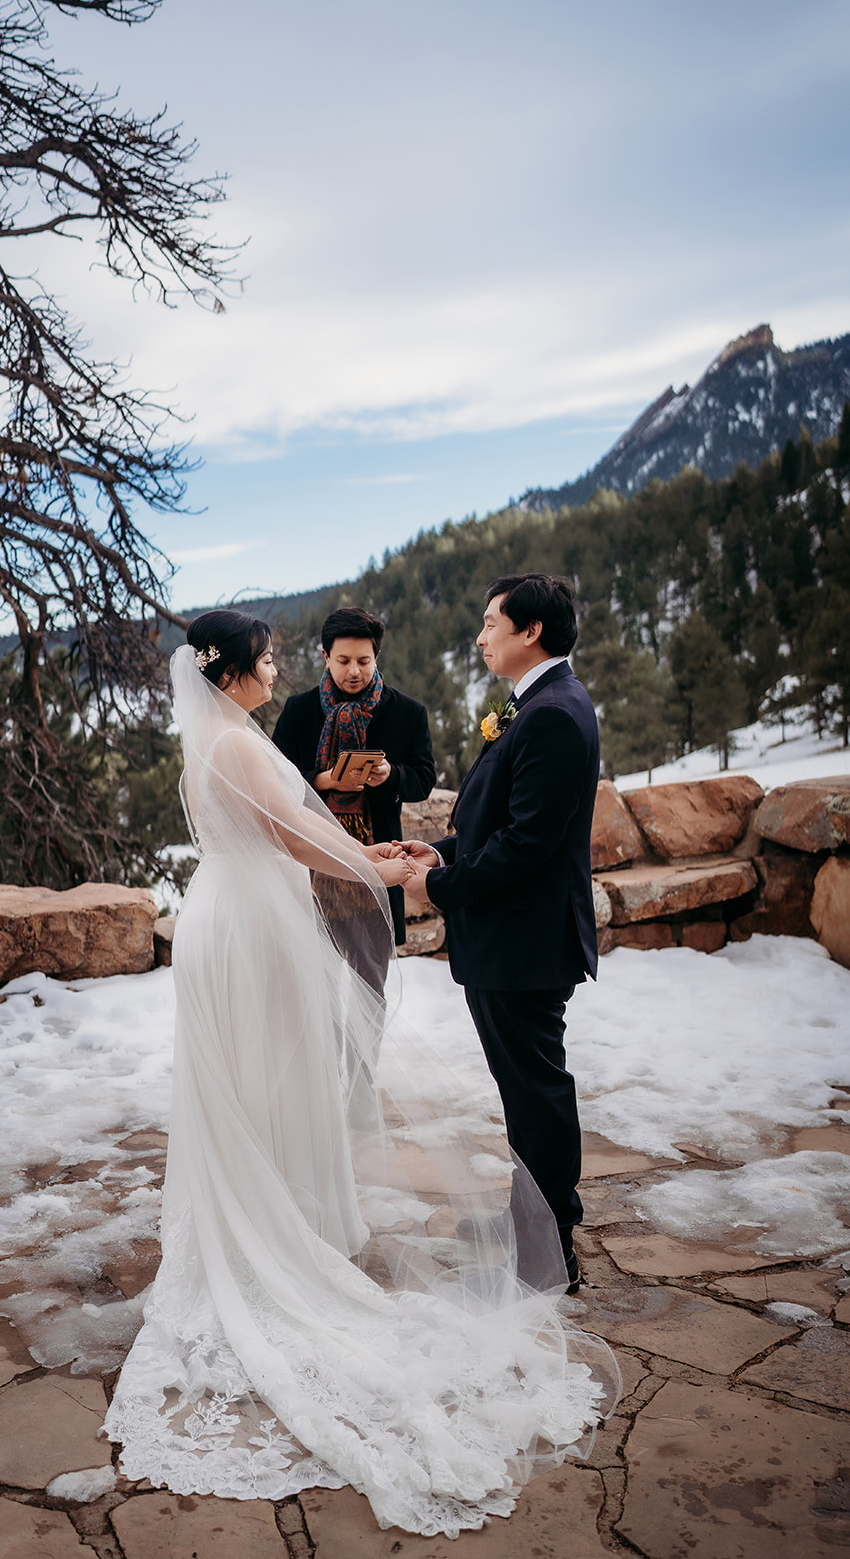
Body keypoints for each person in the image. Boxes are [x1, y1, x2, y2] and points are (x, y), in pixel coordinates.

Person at [105, 608, 615, 1538]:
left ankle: (276, 1212)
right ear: (230, 673)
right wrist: (384, 867)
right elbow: (299, 839)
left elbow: (296, 835)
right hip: (253, 921)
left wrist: (391, 859)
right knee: (275, 1073)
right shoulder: (242, 745)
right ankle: (277, 1227)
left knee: (263, 1078)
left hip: (233, 911)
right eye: (267, 659)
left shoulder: (227, 734)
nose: (278, 668)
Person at [399, 575, 600, 1293]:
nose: (480, 637)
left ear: (530, 632)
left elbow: (526, 846)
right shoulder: (536, 705)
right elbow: (500, 825)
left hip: (524, 942)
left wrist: (439, 888)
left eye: (490, 624)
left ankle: (552, 1252)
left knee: (537, 1094)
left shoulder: (550, 714)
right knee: (523, 1091)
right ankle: (531, 1225)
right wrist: (443, 853)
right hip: (512, 938)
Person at [272, 605, 436, 975]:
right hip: (310, 867)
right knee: (314, 984)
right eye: (343, 660)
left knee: (372, 983)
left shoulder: (408, 712)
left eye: (364, 660)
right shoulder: (299, 711)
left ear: (377, 656)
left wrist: (391, 775)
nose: (354, 671)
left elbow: (425, 778)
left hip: (377, 860)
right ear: (325, 656)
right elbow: (272, 777)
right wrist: (325, 780)